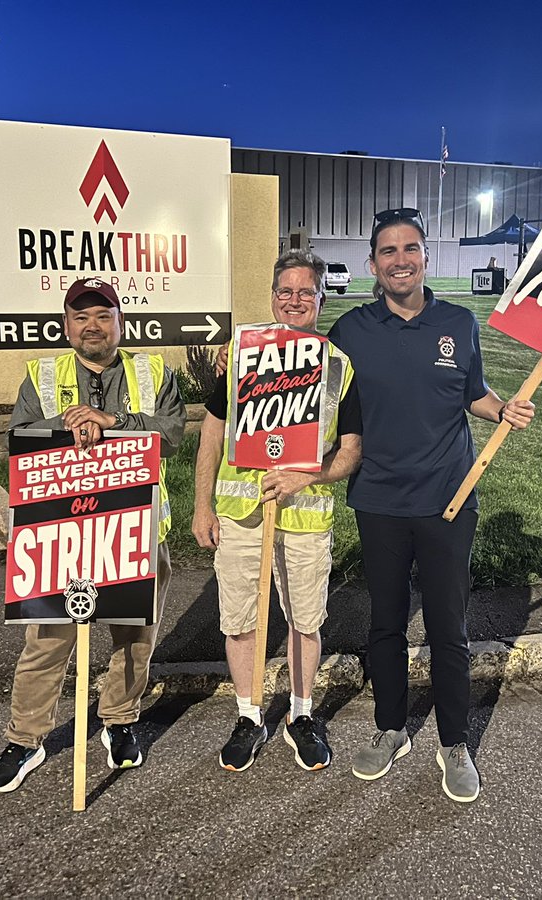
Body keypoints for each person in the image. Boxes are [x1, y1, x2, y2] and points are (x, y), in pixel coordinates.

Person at [327, 208, 535, 802]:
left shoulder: (460, 323)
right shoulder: (351, 331)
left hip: (450, 497)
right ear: (373, 264)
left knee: (448, 626)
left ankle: (453, 742)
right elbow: (305, 385)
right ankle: (391, 728)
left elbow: (474, 393)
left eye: (410, 248)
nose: (400, 259)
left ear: (425, 257)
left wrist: (503, 409)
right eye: (388, 251)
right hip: (380, 499)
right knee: (386, 622)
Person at [0, 277, 187, 793]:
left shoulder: (152, 371)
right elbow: (19, 440)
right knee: (47, 638)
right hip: (60, 533)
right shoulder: (42, 374)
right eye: (81, 316)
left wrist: (113, 421)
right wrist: (67, 423)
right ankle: (25, 739)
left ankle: (119, 720)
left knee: (134, 636)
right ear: (67, 324)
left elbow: (173, 435)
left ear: (121, 322)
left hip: (134, 529)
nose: (92, 326)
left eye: (103, 315)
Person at [193, 249, 361, 772]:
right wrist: (202, 506)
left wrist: (304, 475)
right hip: (242, 517)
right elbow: (213, 432)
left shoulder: (338, 366)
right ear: (272, 297)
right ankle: (248, 715)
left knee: (305, 623)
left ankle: (302, 715)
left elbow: (351, 450)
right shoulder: (241, 355)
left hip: (306, 519)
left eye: (305, 292)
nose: (294, 300)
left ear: (320, 299)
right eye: (285, 291)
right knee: (240, 620)